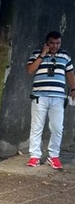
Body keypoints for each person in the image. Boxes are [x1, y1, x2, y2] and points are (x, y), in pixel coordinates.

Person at [25, 31, 75, 169]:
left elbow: (70, 74)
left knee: (57, 128)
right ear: (47, 42)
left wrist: (73, 89)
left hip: (58, 97)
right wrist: (42, 55)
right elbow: (30, 70)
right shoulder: (36, 53)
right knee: (37, 127)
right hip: (39, 96)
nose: (55, 46)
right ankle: (34, 156)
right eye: (52, 43)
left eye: (58, 43)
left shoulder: (65, 56)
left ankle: (53, 156)